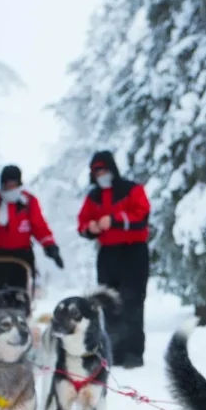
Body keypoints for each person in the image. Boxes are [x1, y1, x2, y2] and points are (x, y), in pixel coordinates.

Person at [77, 150, 151, 368]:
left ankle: (134, 353)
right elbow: (82, 222)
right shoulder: (93, 197)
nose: (101, 175)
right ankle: (113, 351)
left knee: (133, 301)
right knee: (108, 302)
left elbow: (142, 216)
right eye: (97, 172)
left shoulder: (132, 190)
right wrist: (89, 228)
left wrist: (115, 220)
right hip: (108, 254)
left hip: (133, 252)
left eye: (104, 170)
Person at [0, 165, 63, 294]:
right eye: (8, 185)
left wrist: (50, 246)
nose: (11, 189)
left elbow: (39, 227)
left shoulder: (29, 202)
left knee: (20, 294)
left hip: (22, 257)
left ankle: (21, 311)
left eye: (14, 185)